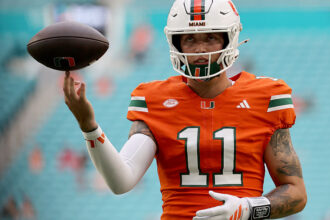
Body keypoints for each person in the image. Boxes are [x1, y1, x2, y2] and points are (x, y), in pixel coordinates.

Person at [63, 0, 307, 219]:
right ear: (176, 43)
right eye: (190, 39)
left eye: (210, 37)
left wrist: (248, 208)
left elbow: (296, 192)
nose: (200, 49)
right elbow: (121, 180)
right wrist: (89, 126)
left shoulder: (265, 97)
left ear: (228, 39)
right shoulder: (155, 100)